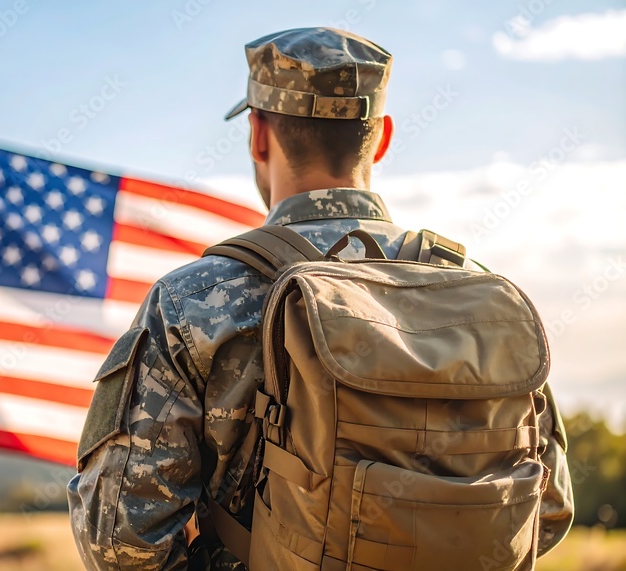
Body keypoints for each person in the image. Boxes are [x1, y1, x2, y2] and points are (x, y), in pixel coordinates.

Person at [68, 27, 573, 570]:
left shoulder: (194, 299)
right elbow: (548, 508)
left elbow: (120, 542)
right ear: (381, 138)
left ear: (259, 135)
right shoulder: (478, 292)